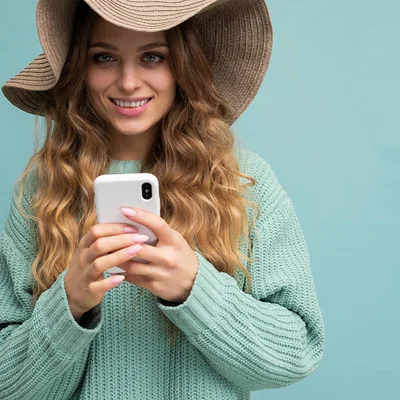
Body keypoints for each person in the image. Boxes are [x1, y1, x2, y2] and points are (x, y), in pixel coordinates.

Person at [0, 0, 325, 399]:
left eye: (152, 57)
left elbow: (298, 353)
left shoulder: (242, 182)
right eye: (104, 57)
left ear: (183, 66)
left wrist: (194, 288)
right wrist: (70, 304)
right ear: (79, 71)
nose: (129, 82)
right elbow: (10, 385)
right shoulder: (42, 191)